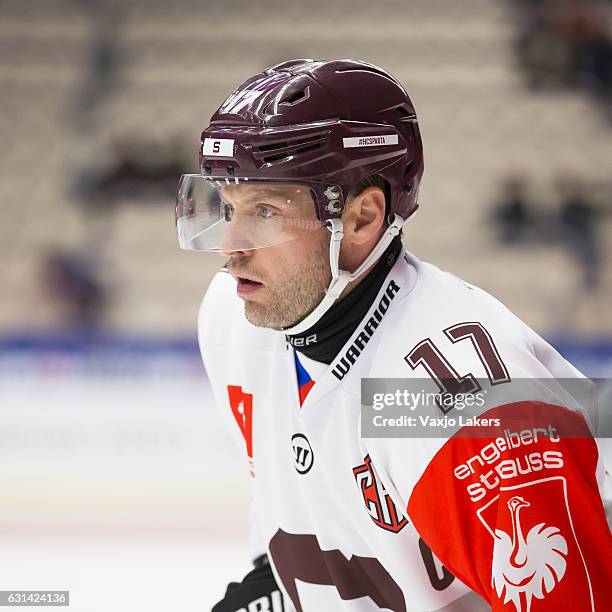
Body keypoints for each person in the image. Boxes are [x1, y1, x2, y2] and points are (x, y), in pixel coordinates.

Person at [176, 59, 611, 611]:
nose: (230, 245)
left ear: (362, 219)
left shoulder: (455, 402)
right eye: (229, 206)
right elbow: (297, 533)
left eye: (265, 210)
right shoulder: (238, 322)